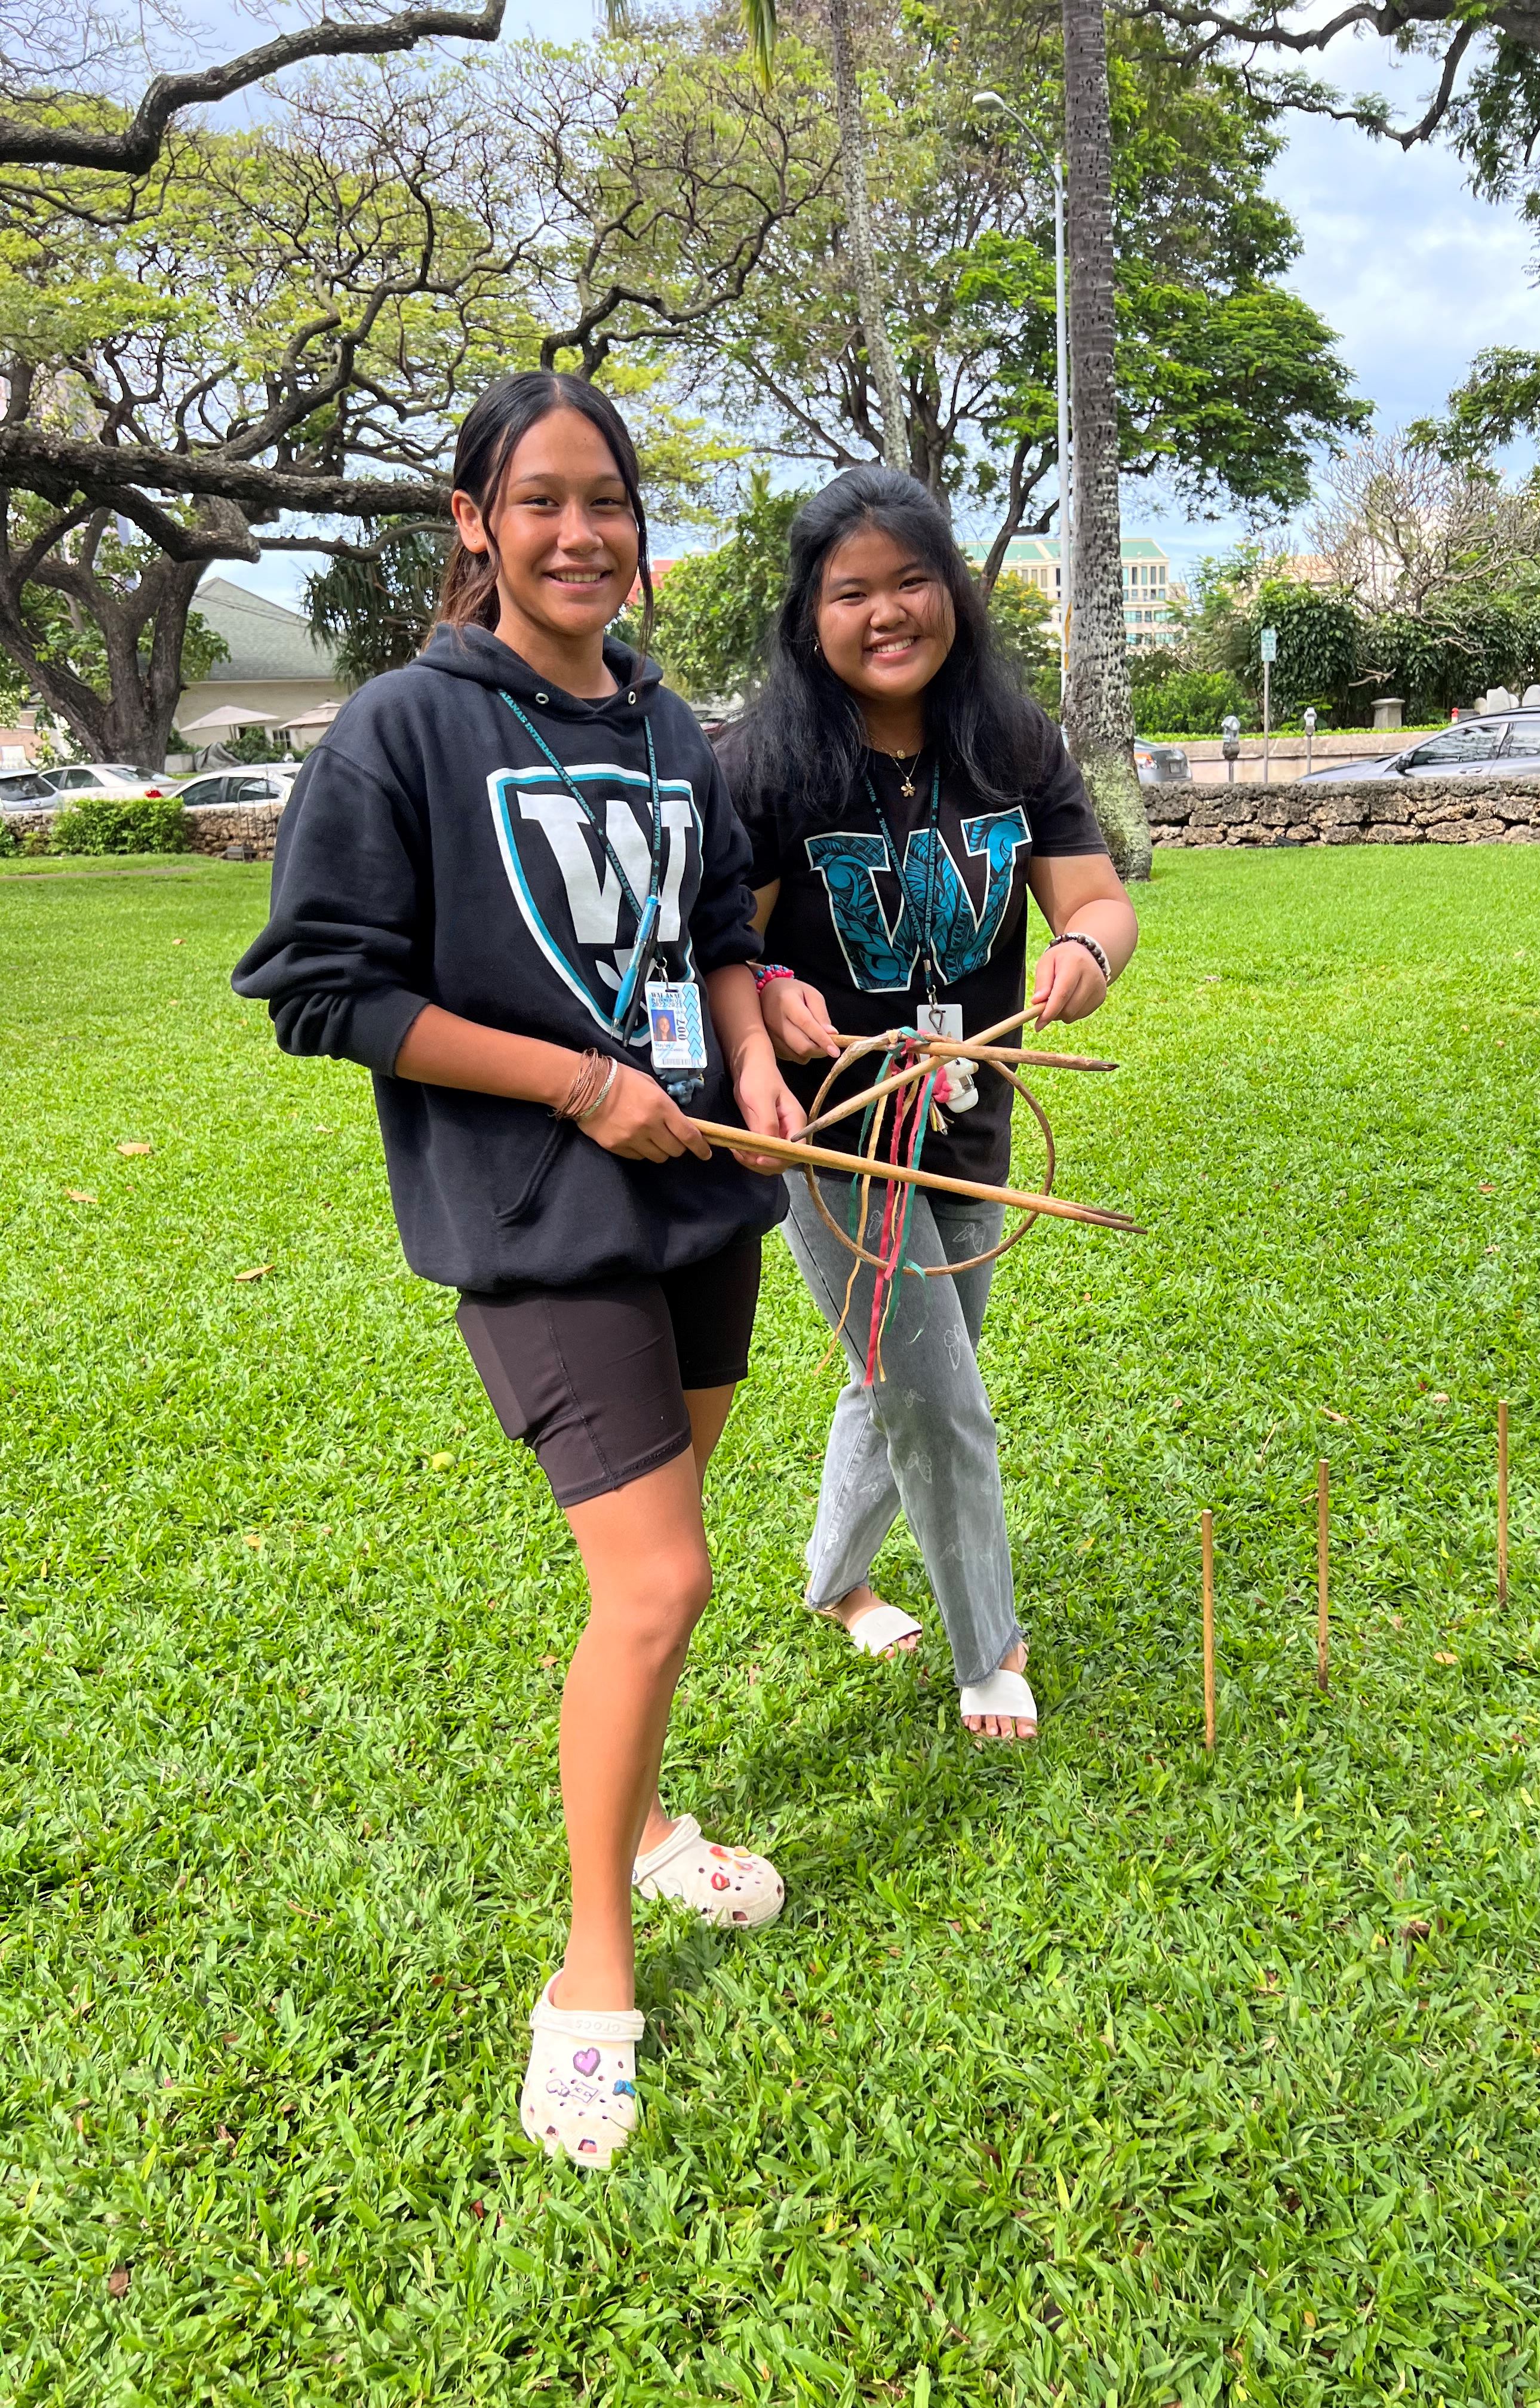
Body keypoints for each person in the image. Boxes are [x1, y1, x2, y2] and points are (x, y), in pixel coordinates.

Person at [232, 371, 809, 2169]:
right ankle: (591, 1971)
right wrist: (576, 1084)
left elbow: (718, 931)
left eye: (610, 502)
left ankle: (641, 1829)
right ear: (475, 522)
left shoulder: (669, 724)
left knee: (670, 1566)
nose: (584, 535)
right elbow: (324, 989)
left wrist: (762, 1052)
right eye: (543, 501)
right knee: (659, 1584)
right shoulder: (402, 728)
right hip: (537, 1216)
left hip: (705, 1197)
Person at [720, 466, 1139, 1746]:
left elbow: (1100, 902)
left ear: (953, 589)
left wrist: (1085, 956)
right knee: (939, 1392)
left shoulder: (1015, 744)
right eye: (853, 592)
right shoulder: (766, 766)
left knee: (902, 1370)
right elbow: (719, 948)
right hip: (833, 1128)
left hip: (974, 1113)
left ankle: (836, 1579)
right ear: (809, 617)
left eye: (913, 580)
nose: (888, 611)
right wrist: (776, 982)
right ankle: (984, 1646)